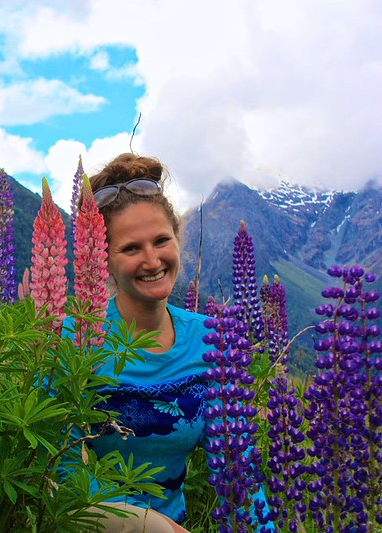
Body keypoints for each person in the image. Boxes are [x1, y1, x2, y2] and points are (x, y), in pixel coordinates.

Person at [66, 153, 269, 532]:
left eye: (161, 240)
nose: (151, 259)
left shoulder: (215, 338)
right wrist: (144, 527)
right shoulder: (76, 337)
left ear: (178, 239)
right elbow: (61, 472)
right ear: (104, 259)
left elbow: (237, 464)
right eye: (131, 248)